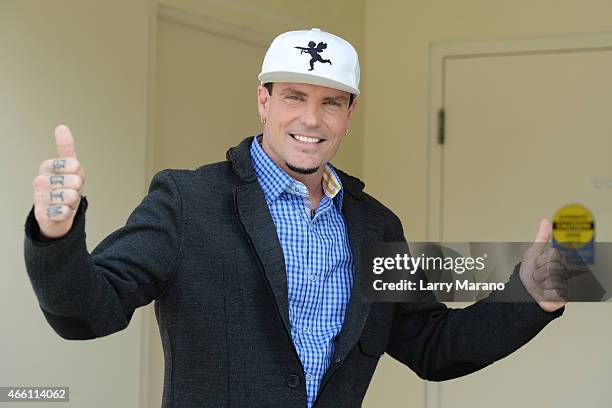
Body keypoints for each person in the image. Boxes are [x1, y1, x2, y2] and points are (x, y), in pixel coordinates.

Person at [24, 28, 570, 408]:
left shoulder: (377, 226)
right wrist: (57, 233)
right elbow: (86, 313)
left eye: (331, 102)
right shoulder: (186, 201)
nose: (311, 118)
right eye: (293, 96)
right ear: (263, 100)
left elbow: (431, 344)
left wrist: (527, 293)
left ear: (349, 113)